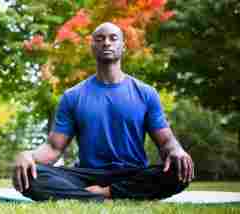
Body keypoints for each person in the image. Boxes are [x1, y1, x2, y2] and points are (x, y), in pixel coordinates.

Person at [12, 22, 194, 202]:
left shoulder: (146, 93)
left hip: (132, 173)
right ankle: (112, 195)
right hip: (87, 175)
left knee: (180, 170)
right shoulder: (72, 96)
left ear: (123, 47)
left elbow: (166, 142)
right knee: (30, 176)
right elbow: (53, 148)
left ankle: (101, 194)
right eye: (100, 39)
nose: (106, 43)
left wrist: (176, 150)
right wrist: (28, 155)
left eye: (113, 38)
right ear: (93, 47)